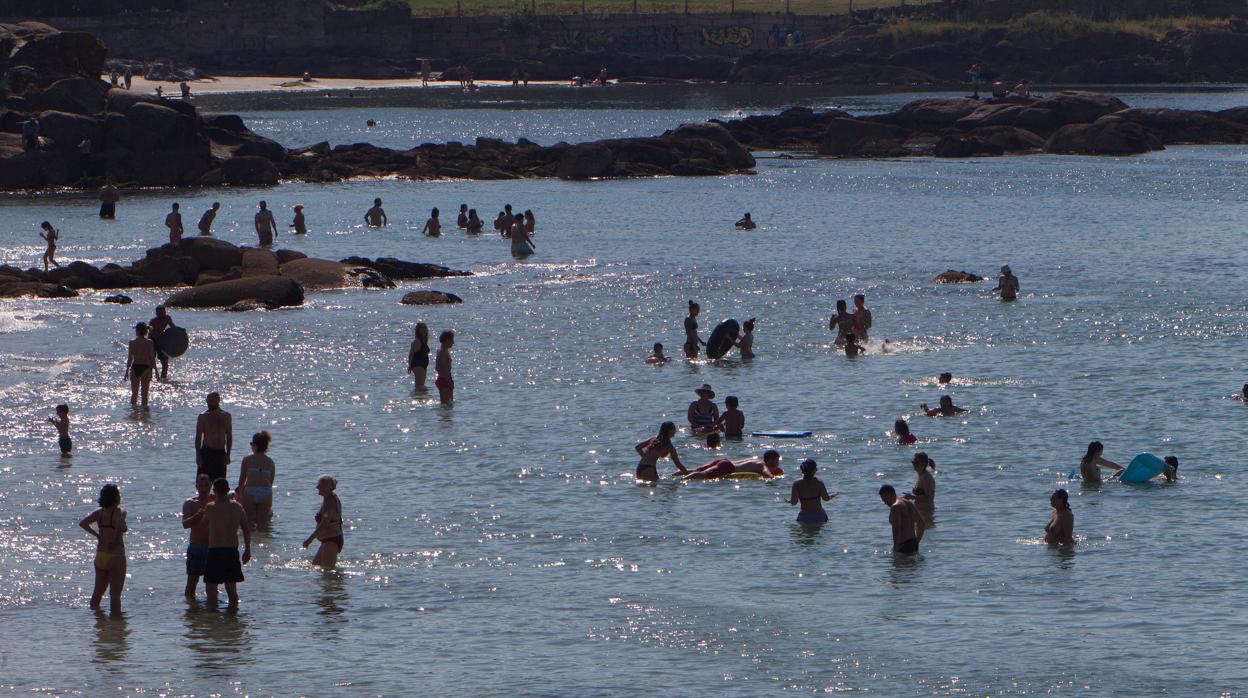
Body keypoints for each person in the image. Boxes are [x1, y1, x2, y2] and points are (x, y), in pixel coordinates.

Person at [79, 483, 127, 614]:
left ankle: (97, 621)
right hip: (115, 556)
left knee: (97, 594)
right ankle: (116, 627)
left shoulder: (99, 513)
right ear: (116, 497)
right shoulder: (119, 512)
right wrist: (115, 539)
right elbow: (120, 527)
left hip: (100, 556)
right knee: (115, 595)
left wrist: (97, 535)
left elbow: (83, 523)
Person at [203, 477, 251, 606]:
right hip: (231, 551)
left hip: (215, 551)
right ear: (228, 489)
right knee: (231, 589)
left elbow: (202, 526)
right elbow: (246, 530)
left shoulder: (210, 508)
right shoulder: (237, 507)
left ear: (214, 491)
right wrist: (247, 550)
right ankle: (233, 619)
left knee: (211, 590)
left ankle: (213, 618)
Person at [181, 473, 213, 598]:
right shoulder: (190, 503)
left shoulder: (216, 500)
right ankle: (192, 611)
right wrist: (197, 516)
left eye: (206, 485)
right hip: (196, 546)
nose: (204, 488)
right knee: (192, 582)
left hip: (212, 547)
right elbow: (185, 524)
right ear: (196, 487)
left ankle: (210, 613)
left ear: (211, 486)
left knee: (211, 583)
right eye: (201, 485)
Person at [237, 431, 276, 528]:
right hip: (265, 492)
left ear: (255, 445)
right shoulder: (270, 462)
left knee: (248, 523)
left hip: (250, 490)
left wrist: (239, 494)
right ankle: (262, 541)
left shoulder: (247, 459)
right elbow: (270, 483)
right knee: (262, 525)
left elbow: (242, 479)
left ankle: (251, 542)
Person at [303, 475, 344, 567]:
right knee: (315, 567)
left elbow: (324, 525)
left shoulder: (330, 502)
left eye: (319, 485)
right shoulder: (328, 499)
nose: (317, 487)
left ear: (327, 487)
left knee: (328, 574)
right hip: (327, 540)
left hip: (331, 540)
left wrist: (310, 539)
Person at [195, 392, 234, 482]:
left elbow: (229, 436)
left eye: (211, 401)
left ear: (218, 400)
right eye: (208, 401)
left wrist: (228, 454)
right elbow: (198, 437)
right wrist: (198, 455)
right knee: (203, 482)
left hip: (220, 452)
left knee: (220, 483)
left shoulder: (226, 416)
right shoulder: (203, 416)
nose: (208, 403)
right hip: (206, 452)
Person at [880, 484, 924, 554]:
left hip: (903, 546)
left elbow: (896, 529)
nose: (885, 503)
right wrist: (916, 541)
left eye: (885, 499)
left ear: (891, 495)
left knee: (899, 564)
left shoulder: (895, 507)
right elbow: (921, 523)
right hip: (913, 543)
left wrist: (896, 547)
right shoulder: (908, 503)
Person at [789, 459, 836, 524]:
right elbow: (826, 498)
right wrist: (834, 495)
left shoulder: (796, 484)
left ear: (801, 470)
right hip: (820, 516)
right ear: (814, 470)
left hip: (804, 517)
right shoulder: (819, 482)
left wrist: (789, 501)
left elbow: (794, 502)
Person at [684, 450, 783, 480]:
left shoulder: (756, 459)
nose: (778, 464)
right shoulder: (762, 465)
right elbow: (767, 475)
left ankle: (677, 474)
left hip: (724, 461)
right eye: (777, 461)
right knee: (704, 475)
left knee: (697, 470)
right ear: (770, 461)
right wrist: (773, 480)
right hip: (728, 467)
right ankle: (683, 480)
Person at [124, 323, 155, 408]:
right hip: (145, 368)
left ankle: (133, 414)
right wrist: (155, 371)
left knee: (134, 394)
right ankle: (145, 415)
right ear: (146, 331)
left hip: (135, 368)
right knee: (144, 394)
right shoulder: (149, 342)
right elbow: (152, 357)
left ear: (137, 331)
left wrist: (127, 371)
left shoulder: (132, 342)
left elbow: (130, 358)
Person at [146, 304, 175, 381]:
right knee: (151, 361)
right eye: (159, 313)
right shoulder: (153, 322)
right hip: (152, 341)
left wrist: (179, 332)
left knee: (165, 361)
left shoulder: (167, 318)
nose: (161, 315)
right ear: (156, 313)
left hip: (161, 340)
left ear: (165, 312)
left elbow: (173, 327)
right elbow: (152, 333)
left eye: (163, 312)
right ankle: (149, 378)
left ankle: (163, 378)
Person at [408, 322, 431, 389]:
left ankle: (420, 398)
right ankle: (417, 398)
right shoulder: (417, 341)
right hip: (418, 364)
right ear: (418, 330)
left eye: (425, 328)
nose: (424, 330)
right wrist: (409, 365)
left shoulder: (424, 341)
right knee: (419, 386)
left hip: (423, 365)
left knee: (421, 385)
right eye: (422, 328)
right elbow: (411, 354)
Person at [435, 330, 455, 405]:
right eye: (452, 340)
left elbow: (437, 367)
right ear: (446, 340)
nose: (453, 342)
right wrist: (448, 381)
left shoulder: (441, 351)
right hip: (445, 380)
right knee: (447, 405)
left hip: (443, 379)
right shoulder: (443, 352)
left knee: (448, 406)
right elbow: (441, 368)